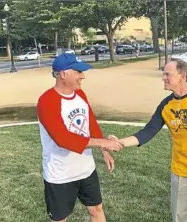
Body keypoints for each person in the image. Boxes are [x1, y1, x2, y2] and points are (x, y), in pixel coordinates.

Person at [111, 59, 187, 222]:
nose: (163, 78)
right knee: (179, 216)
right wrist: (120, 142)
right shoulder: (166, 105)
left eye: (167, 74)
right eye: (163, 74)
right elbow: (148, 131)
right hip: (181, 169)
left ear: (182, 76)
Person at [37, 53, 123, 222]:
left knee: (97, 209)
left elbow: (90, 123)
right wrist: (103, 142)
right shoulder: (47, 101)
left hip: (86, 169)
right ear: (63, 74)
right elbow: (63, 139)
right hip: (60, 173)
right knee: (60, 219)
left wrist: (104, 150)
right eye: (78, 71)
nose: (82, 76)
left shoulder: (80, 95)